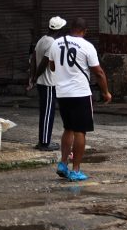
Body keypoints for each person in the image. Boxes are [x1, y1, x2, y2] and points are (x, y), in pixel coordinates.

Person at [46, 17, 112, 182]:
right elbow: (99, 72)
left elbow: (52, 66)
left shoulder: (56, 43)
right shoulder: (87, 46)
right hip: (80, 93)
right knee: (80, 131)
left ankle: (63, 164)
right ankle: (75, 170)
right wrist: (106, 92)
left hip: (62, 93)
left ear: (71, 29)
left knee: (68, 128)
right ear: (85, 31)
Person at [27, 16, 66, 151]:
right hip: (49, 84)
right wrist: (35, 77)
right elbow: (43, 63)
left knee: (45, 112)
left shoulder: (42, 40)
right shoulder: (52, 43)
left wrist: (32, 78)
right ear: (59, 29)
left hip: (42, 83)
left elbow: (33, 60)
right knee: (48, 113)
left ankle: (43, 140)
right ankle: (44, 143)